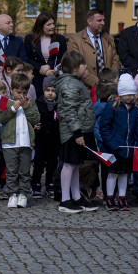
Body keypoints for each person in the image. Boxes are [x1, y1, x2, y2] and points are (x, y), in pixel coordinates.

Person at [96, 74, 138, 211]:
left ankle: (122, 196)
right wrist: (112, 144)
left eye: (132, 94)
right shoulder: (111, 107)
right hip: (114, 148)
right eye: (128, 94)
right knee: (113, 173)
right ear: (121, 94)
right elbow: (104, 128)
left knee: (124, 173)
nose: (131, 97)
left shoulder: (134, 110)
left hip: (128, 148)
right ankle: (110, 197)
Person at [52, 50, 100, 213]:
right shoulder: (70, 84)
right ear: (74, 68)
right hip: (72, 132)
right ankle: (65, 200)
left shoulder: (75, 82)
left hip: (79, 130)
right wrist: (77, 133)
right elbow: (69, 110)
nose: (86, 66)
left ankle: (76, 197)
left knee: (75, 165)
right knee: (69, 164)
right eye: (83, 65)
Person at [0, 72, 40, 209]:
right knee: (12, 171)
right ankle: (12, 194)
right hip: (10, 143)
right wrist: (13, 108)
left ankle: (23, 194)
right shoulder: (4, 101)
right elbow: (0, 118)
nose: (21, 95)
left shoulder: (30, 103)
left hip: (26, 143)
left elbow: (36, 119)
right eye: (18, 91)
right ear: (11, 89)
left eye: (24, 92)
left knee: (25, 171)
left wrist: (26, 109)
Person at [66, 8, 120, 88]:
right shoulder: (75, 40)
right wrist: (98, 83)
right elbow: (76, 66)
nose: (103, 23)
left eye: (103, 20)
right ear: (89, 21)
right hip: (85, 88)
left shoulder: (109, 39)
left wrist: (110, 80)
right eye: (99, 21)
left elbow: (115, 62)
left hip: (109, 88)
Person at [23, 12, 67, 97]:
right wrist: (39, 69)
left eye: (53, 24)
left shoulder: (60, 39)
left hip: (55, 78)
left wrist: (48, 66)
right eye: (49, 24)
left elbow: (63, 57)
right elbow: (28, 59)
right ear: (40, 26)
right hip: (36, 79)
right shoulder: (30, 39)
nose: (53, 26)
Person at [31, 76, 60, 199]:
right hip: (41, 140)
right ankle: (36, 184)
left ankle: (50, 184)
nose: (50, 94)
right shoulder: (38, 104)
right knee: (38, 164)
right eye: (48, 90)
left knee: (52, 164)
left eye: (53, 91)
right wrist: (35, 126)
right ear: (43, 90)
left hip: (54, 140)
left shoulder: (59, 106)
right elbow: (32, 119)